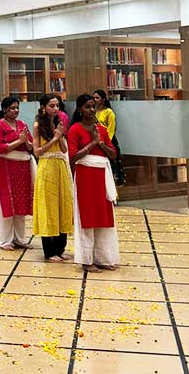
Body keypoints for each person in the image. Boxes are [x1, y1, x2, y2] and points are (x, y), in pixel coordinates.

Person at [68, 94, 119, 272]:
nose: (91, 110)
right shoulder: (74, 129)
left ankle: (103, 258)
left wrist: (101, 144)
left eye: (93, 107)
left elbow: (113, 154)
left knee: (104, 217)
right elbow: (73, 157)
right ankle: (86, 260)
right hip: (85, 176)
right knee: (87, 217)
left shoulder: (102, 129)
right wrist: (92, 143)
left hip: (102, 175)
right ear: (79, 109)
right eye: (87, 107)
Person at [32, 94, 73, 262]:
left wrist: (60, 135)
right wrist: (54, 138)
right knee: (49, 206)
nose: (55, 109)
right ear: (43, 107)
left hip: (60, 166)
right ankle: (49, 251)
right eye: (51, 106)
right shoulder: (38, 125)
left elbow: (64, 149)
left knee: (62, 205)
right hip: (47, 165)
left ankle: (60, 248)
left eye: (57, 106)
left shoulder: (59, 123)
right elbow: (37, 151)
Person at [0, 96, 35, 251]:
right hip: (5, 167)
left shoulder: (22, 124)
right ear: (4, 110)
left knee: (20, 204)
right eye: (12, 108)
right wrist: (19, 141)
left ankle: (20, 239)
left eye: (17, 108)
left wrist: (27, 142)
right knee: (7, 204)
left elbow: (31, 145)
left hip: (22, 167)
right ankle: (5, 240)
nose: (16, 110)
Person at [92, 89, 125, 187]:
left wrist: (106, 142)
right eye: (93, 98)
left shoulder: (109, 112)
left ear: (103, 99)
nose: (94, 100)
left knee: (113, 165)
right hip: (96, 140)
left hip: (108, 141)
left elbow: (111, 128)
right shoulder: (93, 111)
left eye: (97, 98)